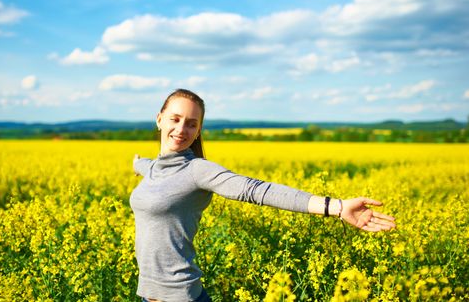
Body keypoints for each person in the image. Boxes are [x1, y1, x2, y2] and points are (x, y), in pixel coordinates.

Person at [130, 88, 396, 302]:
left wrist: (336, 207)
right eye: (175, 119)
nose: (181, 129)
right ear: (159, 119)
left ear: (198, 131)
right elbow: (146, 166)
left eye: (191, 124)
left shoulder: (197, 170)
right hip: (147, 294)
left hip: (180, 295)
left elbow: (256, 190)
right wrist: (136, 163)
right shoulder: (152, 168)